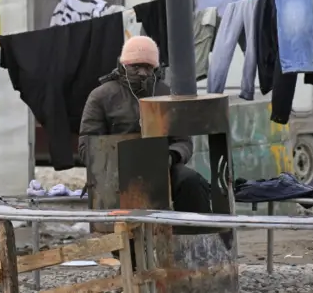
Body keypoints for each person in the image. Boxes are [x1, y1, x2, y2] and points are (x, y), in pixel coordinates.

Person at [78, 36, 215, 260]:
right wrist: (113, 162)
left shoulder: (165, 94)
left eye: (148, 66)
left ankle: (194, 253)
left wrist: (170, 157)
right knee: (123, 208)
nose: (142, 72)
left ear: (156, 67)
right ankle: (131, 264)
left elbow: (184, 141)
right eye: (136, 66)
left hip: (162, 169)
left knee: (192, 182)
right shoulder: (101, 96)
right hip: (117, 174)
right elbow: (87, 145)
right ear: (124, 65)